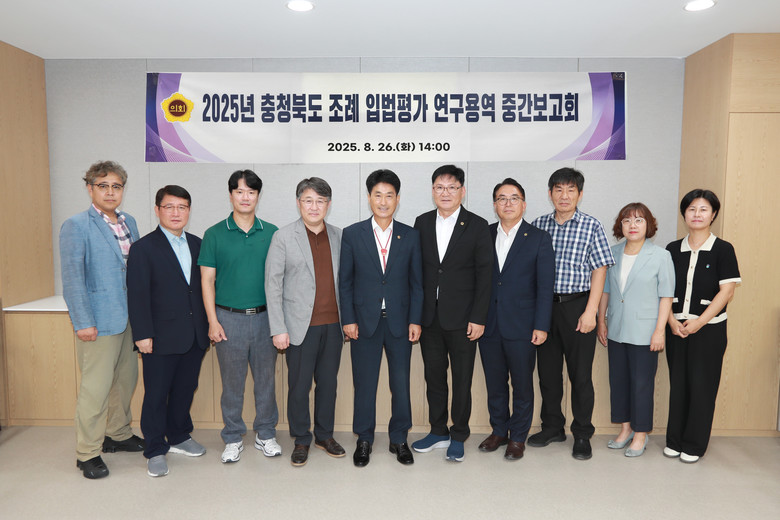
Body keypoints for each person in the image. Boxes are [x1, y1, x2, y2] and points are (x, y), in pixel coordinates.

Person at [60, 160, 144, 479]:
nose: (110, 192)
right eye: (103, 186)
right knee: (95, 389)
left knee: (125, 381)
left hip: (129, 318)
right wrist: (82, 321)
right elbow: (73, 278)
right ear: (90, 188)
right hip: (98, 320)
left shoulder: (129, 222)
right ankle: (87, 452)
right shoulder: (76, 225)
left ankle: (117, 434)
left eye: (116, 186)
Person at [529, 167, 614, 460]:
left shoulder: (592, 226)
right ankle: (552, 427)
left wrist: (591, 312)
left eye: (570, 190)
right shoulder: (539, 225)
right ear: (550, 193)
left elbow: (600, 270)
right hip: (544, 308)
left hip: (578, 306)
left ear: (580, 194)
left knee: (580, 376)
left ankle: (582, 433)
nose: (564, 196)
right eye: (558, 190)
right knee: (548, 374)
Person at [339, 169, 423, 467]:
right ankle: (364, 439)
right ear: (369, 198)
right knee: (364, 384)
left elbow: (417, 283)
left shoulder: (410, 235)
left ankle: (399, 438)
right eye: (378, 195)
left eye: (389, 195)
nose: (383, 201)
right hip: (364, 323)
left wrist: (416, 319)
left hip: (399, 321)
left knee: (400, 383)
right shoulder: (353, 233)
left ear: (397, 199)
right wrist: (348, 319)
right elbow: (345, 282)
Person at [198, 170, 280, 464]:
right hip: (227, 319)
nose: (245, 198)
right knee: (232, 384)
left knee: (266, 382)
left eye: (251, 192)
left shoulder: (272, 233)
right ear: (231, 194)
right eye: (240, 192)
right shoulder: (214, 234)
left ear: (258, 196)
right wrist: (212, 321)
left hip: (265, 319)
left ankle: (266, 434)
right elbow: (207, 281)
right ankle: (232, 437)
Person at [127, 185, 210, 477]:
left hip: (195, 334)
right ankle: (154, 448)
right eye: (169, 207)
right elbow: (137, 295)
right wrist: (142, 334)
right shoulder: (143, 248)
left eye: (182, 207)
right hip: (159, 337)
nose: (176, 213)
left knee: (185, 389)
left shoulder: (199, 245)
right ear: (157, 210)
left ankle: (178, 436)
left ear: (189, 211)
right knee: (156, 394)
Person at [412, 164, 492, 462]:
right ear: (433, 191)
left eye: (452, 187)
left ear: (462, 191)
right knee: (434, 377)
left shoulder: (477, 225)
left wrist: (479, 317)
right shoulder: (421, 222)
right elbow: (417, 272)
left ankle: (458, 434)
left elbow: (485, 275)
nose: (445, 193)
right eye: (440, 187)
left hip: (464, 320)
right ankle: (438, 431)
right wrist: (415, 316)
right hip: (429, 318)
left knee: (461, 380)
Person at [265, 177, 344, 467]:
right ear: (299, 203)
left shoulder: (339, 236)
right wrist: (278, 328)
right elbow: (272, 285)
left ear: (328, 204)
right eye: (308, 200)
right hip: (299, 327)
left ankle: (325, 435)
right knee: (299, 387)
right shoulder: (284, 237)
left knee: (328, 385)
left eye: (320, 201)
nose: (314, 206)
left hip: (333, 326)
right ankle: (301, 439)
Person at [478, 179, 554, 461]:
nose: (507, 203)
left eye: (514, 198)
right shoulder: (484, 235)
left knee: (522, 385)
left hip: (523, 325)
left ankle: (518, 437)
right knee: (495, 383)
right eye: (502, 198)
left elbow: (545, 286)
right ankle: (499, 431)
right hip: (489, 323)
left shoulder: (538, 238)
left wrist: (541, 325)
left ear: (524, 204)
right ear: (495, 204)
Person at [665, 189, 740, 463]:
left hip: (709, 330)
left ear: (713, 214)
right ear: (684, 214)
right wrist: (671, 321)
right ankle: (674, 440)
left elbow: (727, 292)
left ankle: (694, 445)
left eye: (703, 209)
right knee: (679, 385)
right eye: (691, 209)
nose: (697, 214)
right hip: (676, 328)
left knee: (702, 387)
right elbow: (663, 290)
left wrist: (699, 322)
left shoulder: (723, 249)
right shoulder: (672, 249)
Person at [596, 203, 674, 458]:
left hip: (645, 332)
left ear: (648, 225)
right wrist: (601, 320)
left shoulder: (661, 256)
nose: (632, 225)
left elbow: (666, 296)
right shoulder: (612, 253)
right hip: (616, 328)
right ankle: (626, 428)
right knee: (618, 382)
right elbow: (606, 290)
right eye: (627, 220)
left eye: (639, 220)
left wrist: (660, 330)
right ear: (620, 225)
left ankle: (641, 434)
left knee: (641, 384)